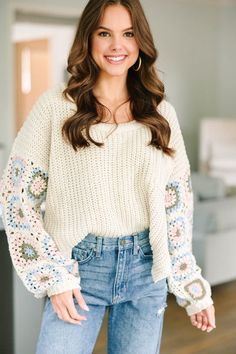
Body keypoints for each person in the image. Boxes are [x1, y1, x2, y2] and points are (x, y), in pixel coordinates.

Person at [0, 0, 216, 353]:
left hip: (146, 271)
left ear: (140, 41)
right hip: (79, 269)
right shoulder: (56, 106)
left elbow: (176, 207)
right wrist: (54, 276)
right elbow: (16, 196)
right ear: (88, 39)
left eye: (128, 33)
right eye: (105, 33)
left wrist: (192, 287)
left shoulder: (161, 113)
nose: (117, 46)